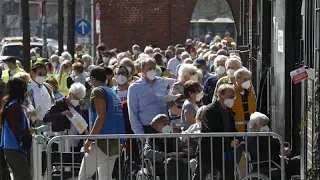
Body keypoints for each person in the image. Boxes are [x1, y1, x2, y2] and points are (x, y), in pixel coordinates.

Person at [78, 66, 125, 180]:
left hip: (102, 142)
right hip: (115, 142)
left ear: (92, 78)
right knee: (105, 177)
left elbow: (101, 117)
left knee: (83, 176)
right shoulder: (112, 92)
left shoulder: (98, 91)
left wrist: (89, 140)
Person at [0, 77, 49, 180]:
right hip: (14, 148)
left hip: (12, 148)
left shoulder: (12, 104)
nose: (27, 90)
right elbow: (17, 131)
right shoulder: (15, 106)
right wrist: (36, 130)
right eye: (25, 87)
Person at [193, 84, 240, 180]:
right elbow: (212, 132)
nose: (232, 99)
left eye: (233, 97)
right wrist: (229, 143)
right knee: (200, 175)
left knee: (228, 175)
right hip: (208, 149)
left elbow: (232, 129)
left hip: (224, 151)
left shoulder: (229, 111)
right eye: (230, 97)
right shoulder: (210, 110)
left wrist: (239, 139)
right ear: (220, 95)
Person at [143, 114, 192, 179]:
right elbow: (147, 152)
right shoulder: (152, 138)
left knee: (179, 162)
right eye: (164, 125)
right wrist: (167, 155)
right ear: (156, 128)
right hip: (159, 165)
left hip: (175, 163)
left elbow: (188, 149)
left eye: (168, 124)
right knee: (171, 161)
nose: (167, 126)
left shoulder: (173, 137)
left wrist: (182, 153)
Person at [128, 58, 169, 135]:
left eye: (154, 68)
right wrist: (140, 133)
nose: (152, 71)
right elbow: (133, 113)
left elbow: (166, 102)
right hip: (147, 128)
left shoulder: (161, 82)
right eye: (149, 69)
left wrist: (170, 104)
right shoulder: (134, 88)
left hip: (164, 127)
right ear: (142, 70)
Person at [43, 83, 86, 149]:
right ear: (70, 94)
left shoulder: (77, 107)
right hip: (60, 143)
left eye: (79, 99)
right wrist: (61, 113)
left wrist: (84, 129)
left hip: (75, 143)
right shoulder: (59, 103)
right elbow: (46, 118)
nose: (77, 101)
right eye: (76, 98)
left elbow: (79, 122)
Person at [232, 68, 256, 132]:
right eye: (245, 79)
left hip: (249, 129)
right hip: (236, 130)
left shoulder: (250, 93)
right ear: (237, 79)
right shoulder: (231, 93)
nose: (248, 81)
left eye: (249, 79)